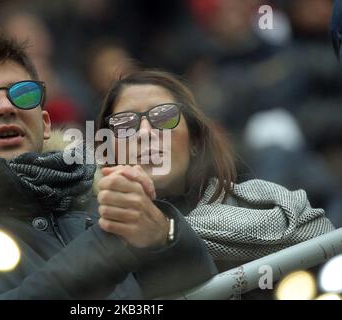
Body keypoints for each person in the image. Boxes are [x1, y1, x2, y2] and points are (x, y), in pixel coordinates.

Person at [0, 32, 216, 299]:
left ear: (45, 124)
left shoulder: (91, 192)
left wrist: (162, 234)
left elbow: (197, 285)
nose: (5, 107)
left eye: (23, 94)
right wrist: (110, 245)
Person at [94, 70, 334, 272]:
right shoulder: (96, 235)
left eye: (165, 116)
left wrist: (167, 233)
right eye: (125, 123)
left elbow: (323, 237)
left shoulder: (263, 201)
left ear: (195, 142)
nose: (145, 132)